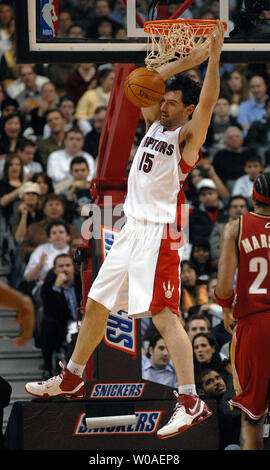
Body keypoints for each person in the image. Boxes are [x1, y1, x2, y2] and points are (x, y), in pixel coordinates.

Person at [25, 21, 225, 440]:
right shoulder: (155, 123)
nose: (163, 106)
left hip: (158, 235)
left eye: (172, 103)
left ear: (186, 111)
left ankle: (190, 401)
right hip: (129, 229)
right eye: (164, 102)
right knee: (96, 302)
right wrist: (186, 60)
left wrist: (214, 56)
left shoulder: (188, 138)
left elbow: (206, 102)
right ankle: (73, 376)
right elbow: (149, 87)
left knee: (165, 315)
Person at [214, 171, 270, 450]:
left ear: (252, 196)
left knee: (252, 416)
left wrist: (225, 310)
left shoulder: (235, 228)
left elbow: (224, 289)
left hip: (255, 325)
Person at [39, 253, 83, 378]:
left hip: (84, 321)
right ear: (55, 270)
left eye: (68, 265)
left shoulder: (82, 281)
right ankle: (48, 368)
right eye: (61, 266)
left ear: (73, 268)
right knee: (47, 323)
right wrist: (57, 287)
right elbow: (48, 310)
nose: (64, 269)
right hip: (62, 325)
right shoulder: (49, 285)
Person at [18, 193, 79, 263]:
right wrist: (41, 250)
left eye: (57, 204)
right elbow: (22, 250)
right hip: (39, 265)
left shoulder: (71, 229)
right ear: (44, 210)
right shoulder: (33, 228)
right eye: (50, 205)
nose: (54, 207)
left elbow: (77, 248)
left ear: (63, 209)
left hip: (65, 265)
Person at [196, 368, 241, 450]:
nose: (217, 382)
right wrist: (232, 376)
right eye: (210, 382)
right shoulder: (204, 410)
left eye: (218, 378)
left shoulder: (235, 397)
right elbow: (227, 411)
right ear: (201, 392)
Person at [209, 195, 249, 269]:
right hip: (226, 264)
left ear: (247, 210)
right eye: (235, 206)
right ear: (229, 210)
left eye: (242, 206)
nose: (239, 209)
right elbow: (214, 250)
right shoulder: (219, 228)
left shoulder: (253, 228)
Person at [212, 126, 254, 191]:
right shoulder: (219, 156)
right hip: (227, 187)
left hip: (250, 184)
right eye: (230, 137)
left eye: (237, 136)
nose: (234, 139)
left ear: (242, 139)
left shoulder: (251, 153)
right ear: (225, 141)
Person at [189, 178, 226, 244]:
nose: (207, 197)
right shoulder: (194, 215)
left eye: (210, 193)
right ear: (199, 197)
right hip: (203, 248)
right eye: (203, 194)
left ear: (217, 193)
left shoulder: (227, 210)